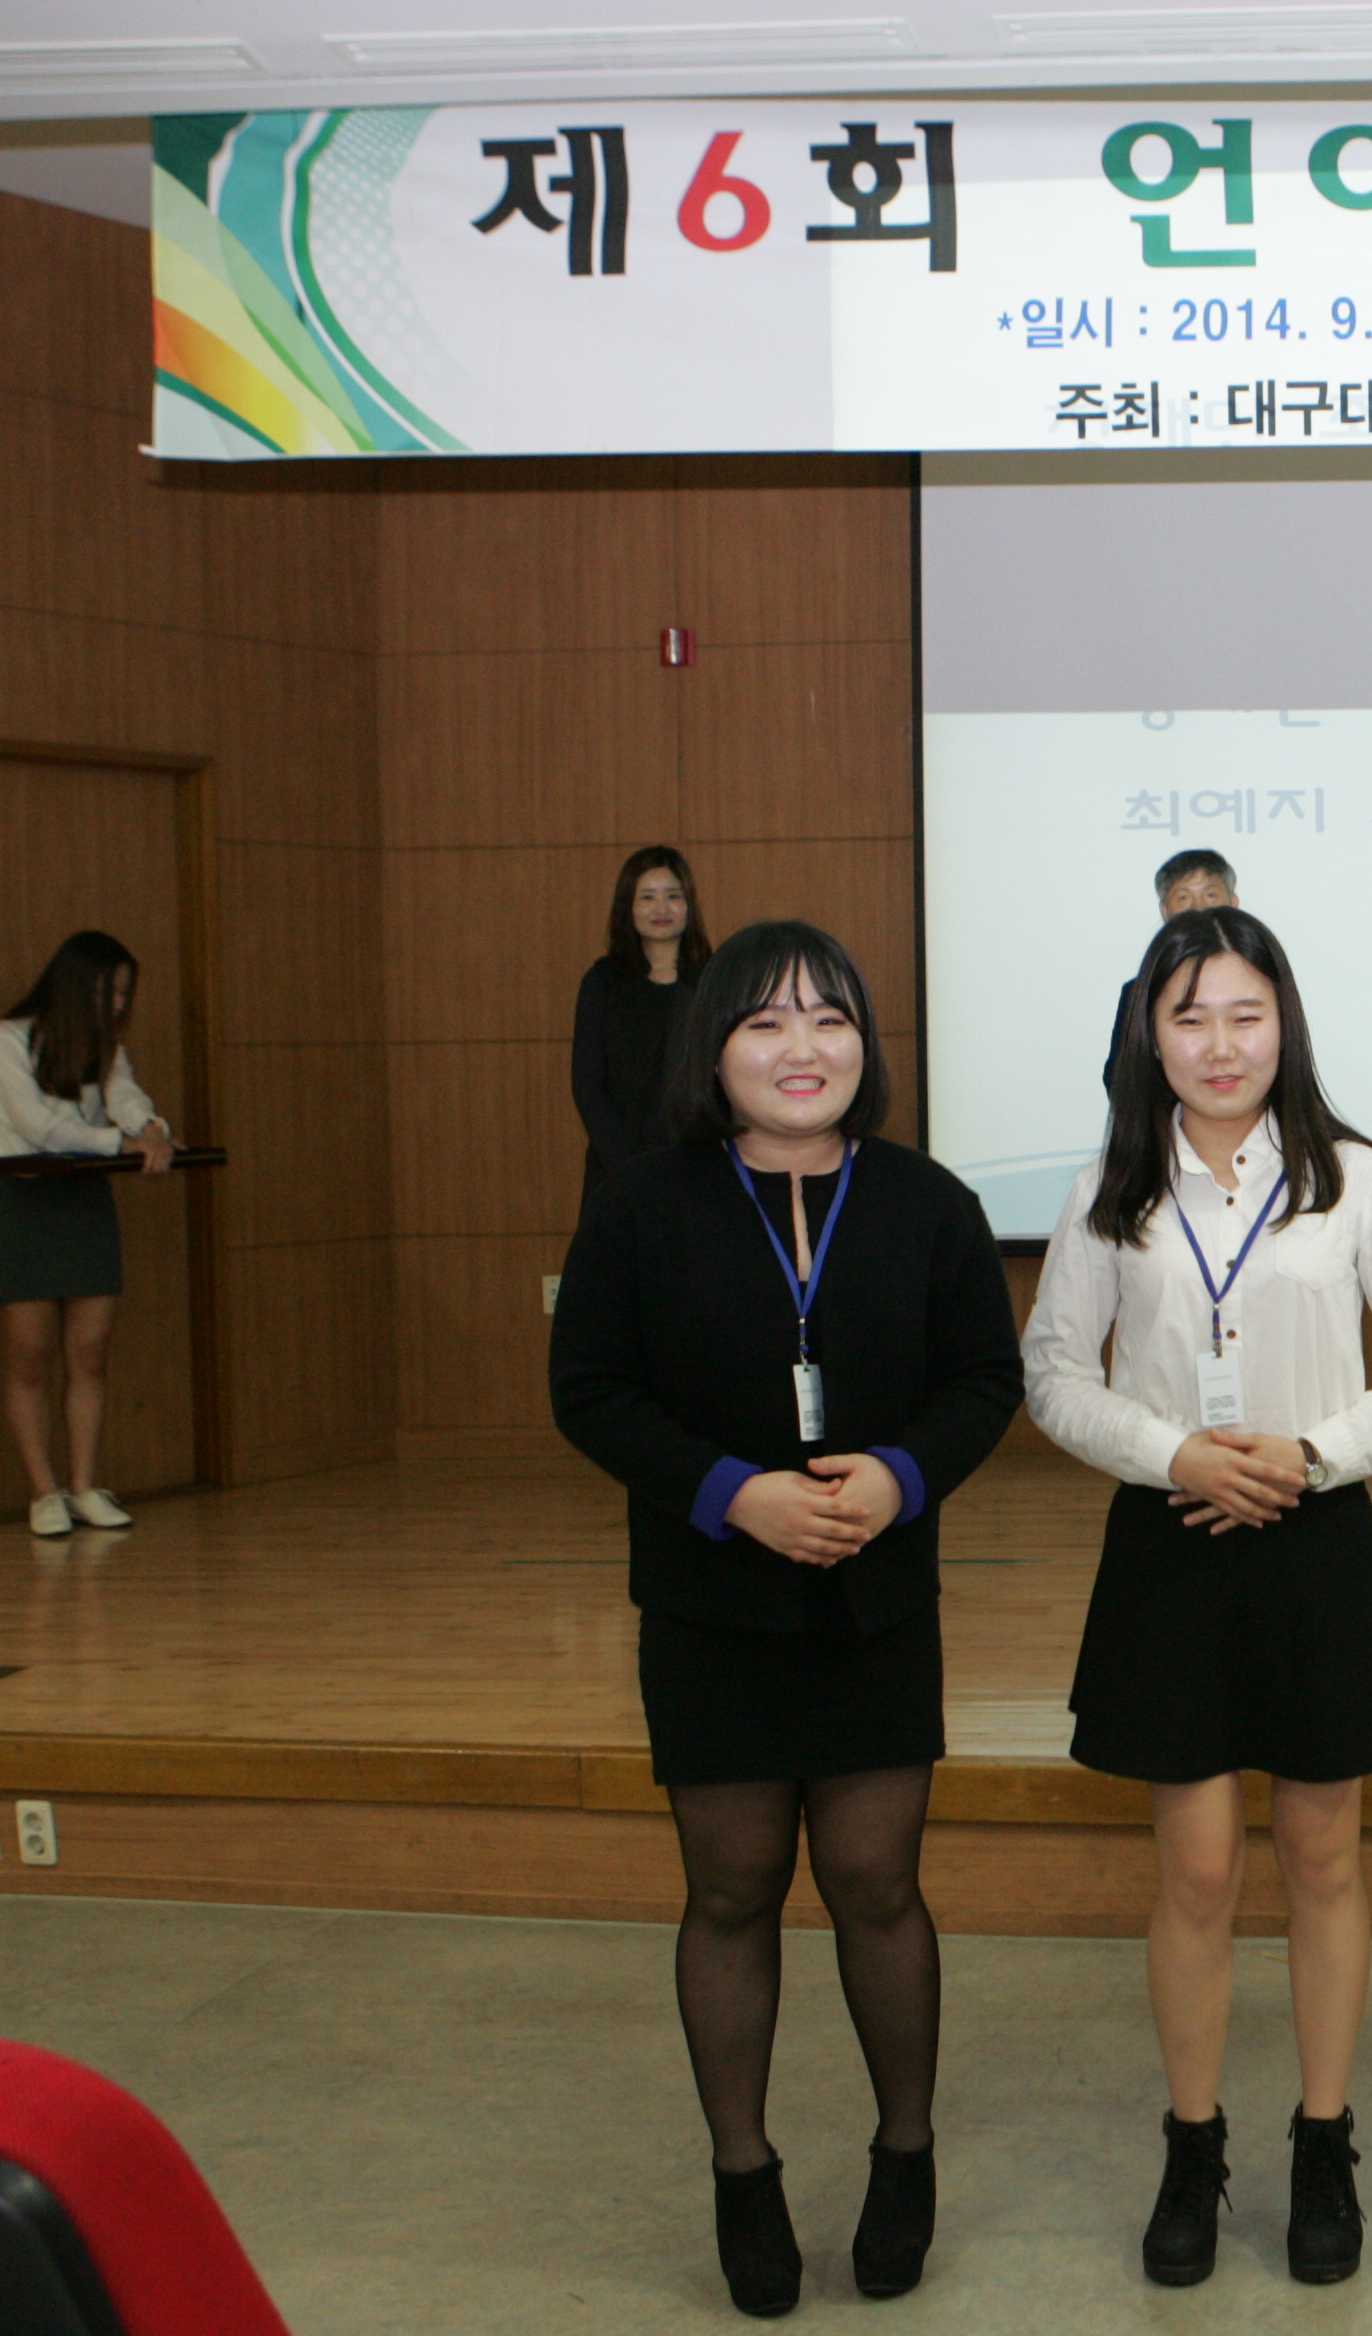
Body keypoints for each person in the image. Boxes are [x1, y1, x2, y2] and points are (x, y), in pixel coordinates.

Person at [548, 920, 1024, 2317]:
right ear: (715, 1048)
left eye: (829, 1017)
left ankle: (904, 2153)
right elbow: (589, 1389)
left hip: (876, 1603)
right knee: (730, 1889)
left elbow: (984, 1380)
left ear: (865, 1042)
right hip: (712, 1605)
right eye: (765, 1021)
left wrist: (900, 1475)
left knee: (877, 1884)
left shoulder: (929, 1202)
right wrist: (730, 1494)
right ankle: (743, 2173)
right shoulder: (643, 1203)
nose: (802, 1047)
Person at [1023, 904, 1372, 2292]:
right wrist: (1176, 1454)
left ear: (1286, 1023)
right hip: (1171, 1541)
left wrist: (1309, 1455)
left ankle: (1323, 2140)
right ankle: (1192, 2142)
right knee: (1200, 1869)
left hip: (1313, 1537)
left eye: (1246, 1014)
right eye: (1190, 1016)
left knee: (1324, 1857)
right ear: (1149, 1035)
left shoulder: (1355, 1178)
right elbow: (1053, 1371)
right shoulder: (1111, 1183)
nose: (1220, 1045)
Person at [0, 931, 175, 1539]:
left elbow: (125, 1095)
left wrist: (152, 1127)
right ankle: (45, 1492)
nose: (118, 1004)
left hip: (83, 1196)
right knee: (30, 1356)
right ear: (74, 984)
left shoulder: (103, 1046)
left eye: (125, 994)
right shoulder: (4, 1041)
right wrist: (120, 1142)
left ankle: (85, 1486)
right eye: (109, 991)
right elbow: (38, 1125)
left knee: (90, 1352)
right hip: (23, 1198)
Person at [573, 847, 715, 1202]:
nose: (661, 909)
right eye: (648, 897)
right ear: (628, 907)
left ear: (689, 905)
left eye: (673, 896)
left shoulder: (714, 980)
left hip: (700, 1168)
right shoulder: (603, 982)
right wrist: (629, 1169)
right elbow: (588, 1086)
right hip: (617, 1168)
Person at [1098, 848, 1239, 1088]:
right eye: (1183, 897)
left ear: (1233, 903)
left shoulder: (1263, 980)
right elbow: (1120, 1076)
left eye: (1210, 894)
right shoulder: (1141, 991)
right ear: (1165, 911)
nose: (1198, 907)